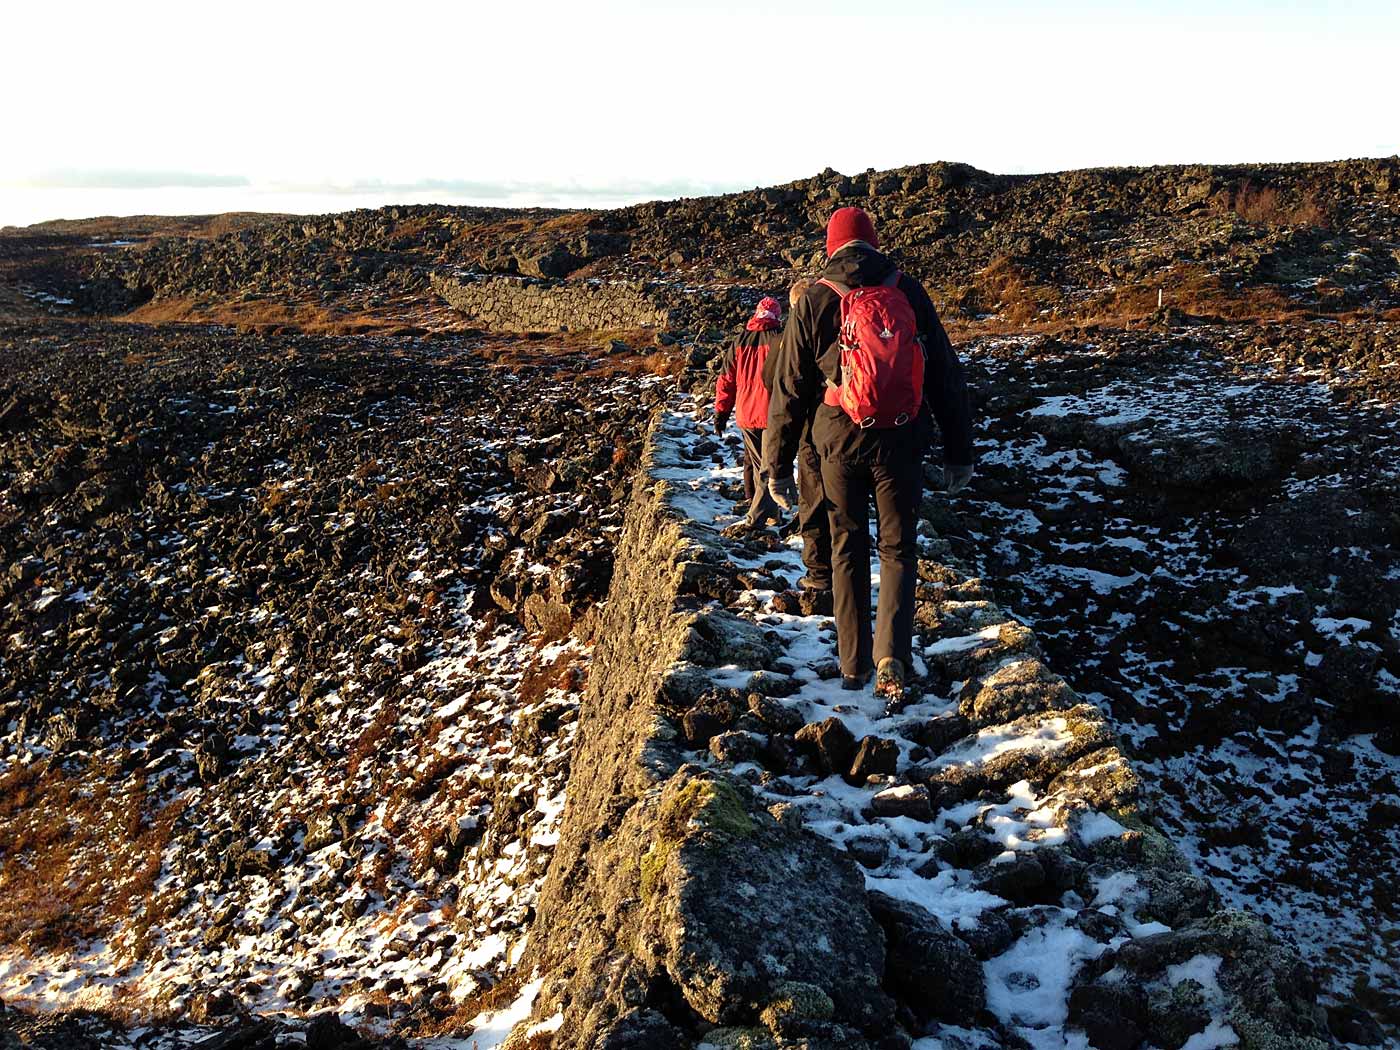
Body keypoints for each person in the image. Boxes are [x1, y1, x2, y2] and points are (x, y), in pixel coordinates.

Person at [765, 207, 975, 699]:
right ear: (874, 243)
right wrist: (958, 452)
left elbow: (789, 389)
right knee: (899, 549)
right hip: (902, 437)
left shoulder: (816, 297)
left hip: (837, 440)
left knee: (848, 547)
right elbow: (945, 372)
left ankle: (853, 664)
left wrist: (775, 466)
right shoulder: (908, 290)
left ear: (831, 246)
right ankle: (892, 658)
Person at [763, 278, 831, 593]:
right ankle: (849, 578)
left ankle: (820, 576)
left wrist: (778, 466)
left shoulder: (785, 340)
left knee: (814, 502)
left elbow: (778, 389)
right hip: (847, 427)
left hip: (810, 435)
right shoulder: (839, 324)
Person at [714, 296, 785, 527]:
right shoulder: (780, 338)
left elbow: (726, 380)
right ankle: (757, 518)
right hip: (772, 412)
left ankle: (772, 512)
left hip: (746, 413)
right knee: (768, 467)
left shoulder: (739, 341)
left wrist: (721, 413)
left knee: (758, 466)